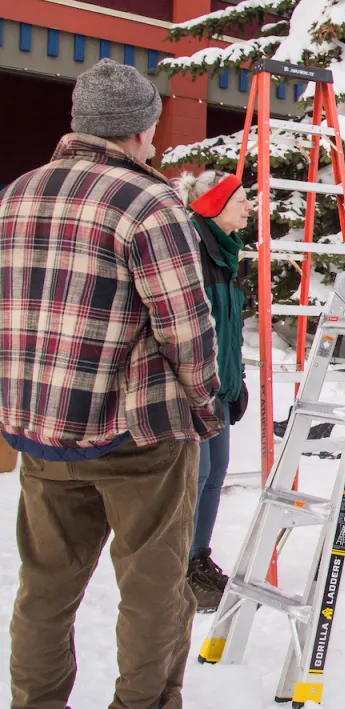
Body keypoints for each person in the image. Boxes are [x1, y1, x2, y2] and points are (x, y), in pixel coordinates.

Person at [0, 59, 222, 709]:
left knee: (43, 589)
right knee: (154, 590)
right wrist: (206, 404)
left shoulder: (14, 197)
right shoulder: (151, 205)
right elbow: (187, 327)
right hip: (137, 435)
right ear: (137, 130)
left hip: (42, 429)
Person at [177, 171, 253, 611]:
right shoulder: (190, 250)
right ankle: (180, 569)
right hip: (193, 391)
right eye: (241, 200)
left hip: (219, 388)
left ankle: (199, 558)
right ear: (214, 206)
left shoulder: (226, 254)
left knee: (216, 475)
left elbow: (228, 329)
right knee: (197, 476)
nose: (248, 208)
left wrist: (235, 377)